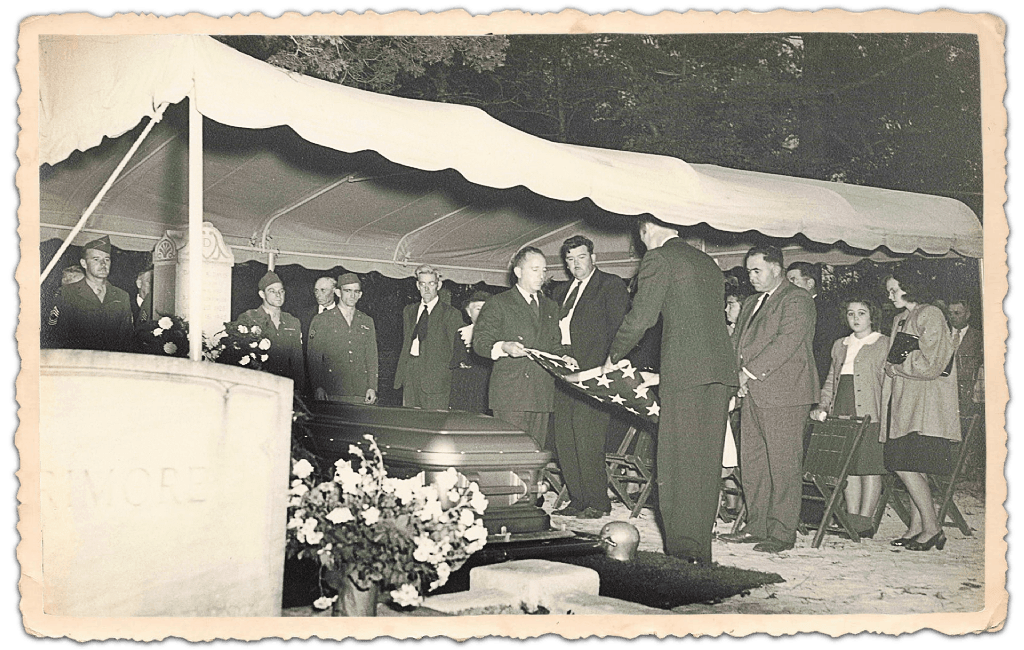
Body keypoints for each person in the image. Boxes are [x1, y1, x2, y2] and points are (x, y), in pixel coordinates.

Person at [603, 217, 737, 564]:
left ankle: (682, 552)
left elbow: (642, 317)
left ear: (646, 230)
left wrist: (613, 355)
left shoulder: (658, 258)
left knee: (677, 462)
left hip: (687, 374)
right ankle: (699, 550)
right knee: (706, 465)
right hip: (720, 371)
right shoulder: (706, 262)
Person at [722, 245, 817, 554]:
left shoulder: (797, 299)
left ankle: (782, 532)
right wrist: (736, 377)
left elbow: (787, 342)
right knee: (753, 463)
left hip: (785, 394)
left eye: (757, 270)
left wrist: (747, 373)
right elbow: (737, 342)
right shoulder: (751, 302)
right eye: (749, 271)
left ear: (777, 269)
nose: (751, 277)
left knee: (783, 464)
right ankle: (756, 525)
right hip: (753, 393)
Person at [551, 235, 629, 519]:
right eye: (570, 260)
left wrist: (607, 367)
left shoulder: (610, 285)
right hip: (563, 373)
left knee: (587, 438)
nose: (575, 265)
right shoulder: (561, 291)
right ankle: (577, 498)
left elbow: (620, 330)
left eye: (581, 257)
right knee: (565, 439)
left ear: (593, 258)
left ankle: (597, 501)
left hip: (594, 374)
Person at [882, 268, 960, 551]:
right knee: (913, 466)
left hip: (926, 408)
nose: (890, 296)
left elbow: (932, 363)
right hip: (904, 404)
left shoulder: (930, 314)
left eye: (895, 290)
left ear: (911, 287)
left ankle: (932, 528)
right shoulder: (900, 318)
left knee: (903, 465)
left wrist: (895, 366)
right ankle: (916, 526)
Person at [810, 296, 889, 538]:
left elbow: (888, 382)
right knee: (848, 466)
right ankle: (849, 517)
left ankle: (865, 521)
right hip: (842, 406)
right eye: (851, 313)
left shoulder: (884, 343)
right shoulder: (840, 344)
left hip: (870, 411)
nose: (855, 318)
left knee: (869, 466)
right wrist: (823, 405)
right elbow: (831, 379)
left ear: (872, 316)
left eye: (861, 313)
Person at [473, 246, 563, 448]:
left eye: (544, 270)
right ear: (518, 272)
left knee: (535, 455)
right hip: (511, 395)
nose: (541, 276)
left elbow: (555, 344)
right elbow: (480, 343)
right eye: (535, 269)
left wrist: (565, 358)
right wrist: (503, 346)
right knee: (511, 455)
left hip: (541, 394)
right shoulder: (499, 303)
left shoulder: (551, 307)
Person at [394, 265, 464, 409]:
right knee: (411, 421)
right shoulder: (409, 311)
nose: (426, 289)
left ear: (439, 285)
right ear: (417, 285)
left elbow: (457, 351)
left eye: (431, 284)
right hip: (410, 375)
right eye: (422, 284)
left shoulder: (450, 314)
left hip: (436, 381)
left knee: (432, 423)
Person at [48, 235, 134, 352]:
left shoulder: (122, 296)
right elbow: (55, 334)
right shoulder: (67, 293)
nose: (103, 264)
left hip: (112, 362)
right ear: (84, 263)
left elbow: (127, 337)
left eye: (107, 259)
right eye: (96, 259)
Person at [307, 273, 378, 404]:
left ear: (360, 294)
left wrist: (372, 387)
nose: (353, 295)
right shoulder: (322, 320)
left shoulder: (367, 321)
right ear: (338, 292)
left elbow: (371, 357)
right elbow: (314, 358)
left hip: (359, 391)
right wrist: (318, 386)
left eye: (356, 291)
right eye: (348, 291)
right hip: (332, 390)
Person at [237, 271, 305, 393]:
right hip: (258, 386)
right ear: (262, 294)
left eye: (281, 291)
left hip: (286, 385)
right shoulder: (249, 318)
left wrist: (299, 388)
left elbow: (297, 361)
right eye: (272, 291)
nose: (278, 295)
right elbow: (242, 358)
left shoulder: (292, 321)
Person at [787, 261, 846, 388]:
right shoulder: (793, 309)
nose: (788, 287)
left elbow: (824, 349)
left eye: (793, 280)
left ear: (810, 283)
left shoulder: (826, 310)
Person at [448, 291, 493, 413]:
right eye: (477, 309)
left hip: (487, 386)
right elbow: (456, 361)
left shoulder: (497, 334)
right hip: (465, 386)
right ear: (468, 312)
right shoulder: (461, 333)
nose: (482, 313)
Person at [946, 296, 983, 413]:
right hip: (944, 391)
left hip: (968, 394)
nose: (952, 317)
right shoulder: (942, 334)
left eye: (957, 313)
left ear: (967, 315)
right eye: (950, 313)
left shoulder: (979, 337)